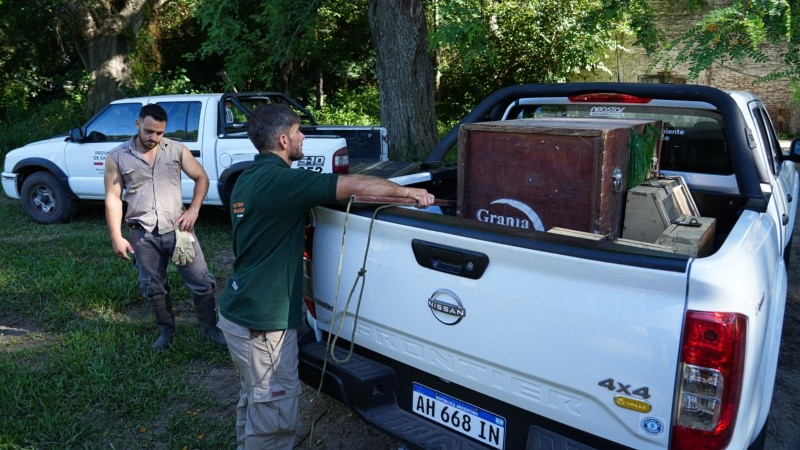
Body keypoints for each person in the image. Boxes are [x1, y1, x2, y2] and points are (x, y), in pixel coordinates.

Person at [217, 103, 434, 448]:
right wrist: (408, 192)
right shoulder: (283, 181)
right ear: (284, 140)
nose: (303, 136)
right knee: (275, 418)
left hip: (239, 313)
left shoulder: (247, 178)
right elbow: (351, 184)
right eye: (299, 131)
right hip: (262, 326)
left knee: (256, 400)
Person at [104, 103, 227, 352]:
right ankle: (166, 333)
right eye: (149, 131)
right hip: (142, 233)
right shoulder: (117, 156)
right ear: (138, 124)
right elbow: (113, 198)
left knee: (202, 282)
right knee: (153, 286)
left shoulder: (176, 150)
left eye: (159, 133)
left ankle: (211, 330)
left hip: (179, 231)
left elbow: (201, 177)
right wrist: (116, 236)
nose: (154, 138)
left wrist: (193, 209)